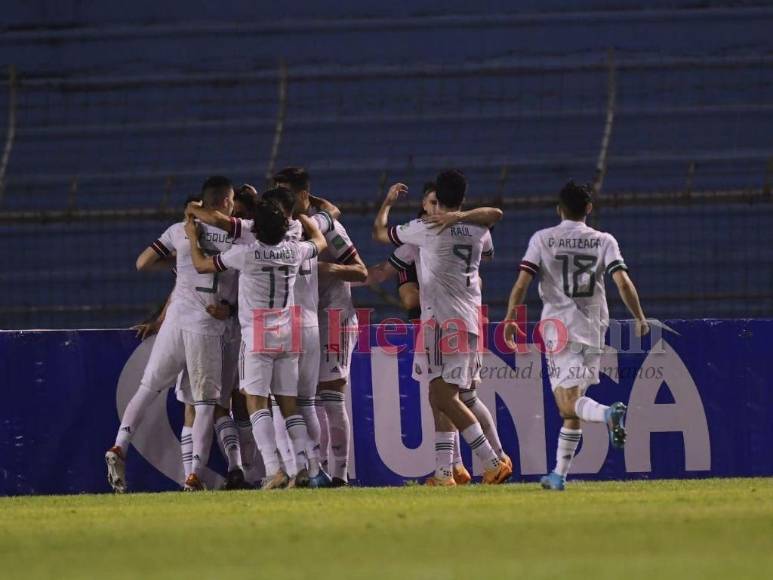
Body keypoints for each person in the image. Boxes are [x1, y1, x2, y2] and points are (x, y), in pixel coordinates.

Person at [503, 180, 649, 491]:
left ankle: (609, 413)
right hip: (595, 329)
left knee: (567, 405)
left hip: (561, 329)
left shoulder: (544, 239)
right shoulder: (603, 240)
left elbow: (521, 284)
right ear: (589, 209)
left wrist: (510, 317)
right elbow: (622, 282)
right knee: (573, 404)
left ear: (559, 209)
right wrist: (639, 316)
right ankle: (558, 474)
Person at [375, 169, 511, 486]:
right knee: (450, 395)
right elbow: (494, 221)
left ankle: (492, 460)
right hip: (470, 320)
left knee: (445, 395)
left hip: (441, 321)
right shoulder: (479, 227)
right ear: (463, 197)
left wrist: (387, 203)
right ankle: (447, 472)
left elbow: (380, 234)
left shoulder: (425, 227)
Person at [187, 194, 330, 489]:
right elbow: (321, 242)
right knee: (290, 405)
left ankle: (276, 468)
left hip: (257, 331)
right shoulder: (294, 250)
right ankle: (306, 465)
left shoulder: (245, 253)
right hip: (288, 331)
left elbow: (201, 265)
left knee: (256, 402)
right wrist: (307, 222)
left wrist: (192, 237)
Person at [105, 176, 238, 493]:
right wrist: (230, 310)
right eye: (231, 200)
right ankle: (193, 476)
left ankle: (119, 445)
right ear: (223, 203)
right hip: (206, 325)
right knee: (206, 403)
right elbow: (242, 284)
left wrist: (178, 261)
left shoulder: (179, 231)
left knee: (149, 386)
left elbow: (142, 262)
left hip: (175, 321)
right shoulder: (236, 236)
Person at [273, 167, 368, 487]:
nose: (279, 204)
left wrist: (323, 266)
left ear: (302, 196)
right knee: (300, 399)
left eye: (286, 195)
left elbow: (361, 271)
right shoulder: (284, 230)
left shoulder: (329, 228)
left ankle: (340, 476)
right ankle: (309, 470)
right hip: (302, 322)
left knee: (331, 396)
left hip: (334, 318)